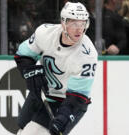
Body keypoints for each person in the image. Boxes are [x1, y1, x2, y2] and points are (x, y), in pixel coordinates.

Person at [14, 2, 98, 135]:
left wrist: (64, 116)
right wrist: (30, 72)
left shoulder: (87, 55)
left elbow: (78, 96)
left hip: (66, 101)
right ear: (63, 22)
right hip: (41, 93)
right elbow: (23, 55)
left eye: (82, 23)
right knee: (21, 129)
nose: (79, 29)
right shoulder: (45, 33)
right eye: (74, 23)